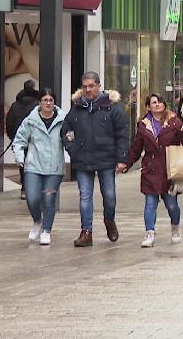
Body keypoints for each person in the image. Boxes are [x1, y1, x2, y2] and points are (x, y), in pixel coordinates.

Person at [63, 72, 129, 248]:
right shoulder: (77, 107)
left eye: (91, 86)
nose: (88, 89)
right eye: (85, 86)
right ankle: (86, 232)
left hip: (106, 159)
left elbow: (122, 134)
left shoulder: (112, 107)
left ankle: (109, 220)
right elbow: (66, 131)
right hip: (83, 160)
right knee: (85, 196)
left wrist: (122, 159)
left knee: (109, 196)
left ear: (99, 85)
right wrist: (72, 149)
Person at [125, 94, 183, 248]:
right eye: (153, 103)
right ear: (148, 107)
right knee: (150, 203)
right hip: (151, 169)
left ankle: (175, 228)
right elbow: (136, 148)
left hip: (169, 170)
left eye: (159, 101)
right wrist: (126, 163)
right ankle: (149, 234)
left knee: (172, 205)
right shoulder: (143, 125)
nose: (157, 104)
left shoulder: (174, 121)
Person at [11, 88, 65, 246]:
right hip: (33, 166)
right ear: (40, 102)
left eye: (51, 100)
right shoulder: (30, 121)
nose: (48, 103)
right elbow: (19, 140)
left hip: (54, 168)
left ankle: (46, 230)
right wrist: (19, 157)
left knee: (49, 198)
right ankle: (37, 221)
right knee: (32, 198)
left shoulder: (63, 120)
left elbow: (70, 139)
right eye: (45, 100)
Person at [6, 80, 42, 200]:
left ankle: (24, 189)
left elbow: (9, 122)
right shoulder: (37, 105)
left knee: (23, 163)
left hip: (19, 139)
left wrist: (13, 137)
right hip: (34, 139)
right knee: (34, 163)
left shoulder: (15, 105)